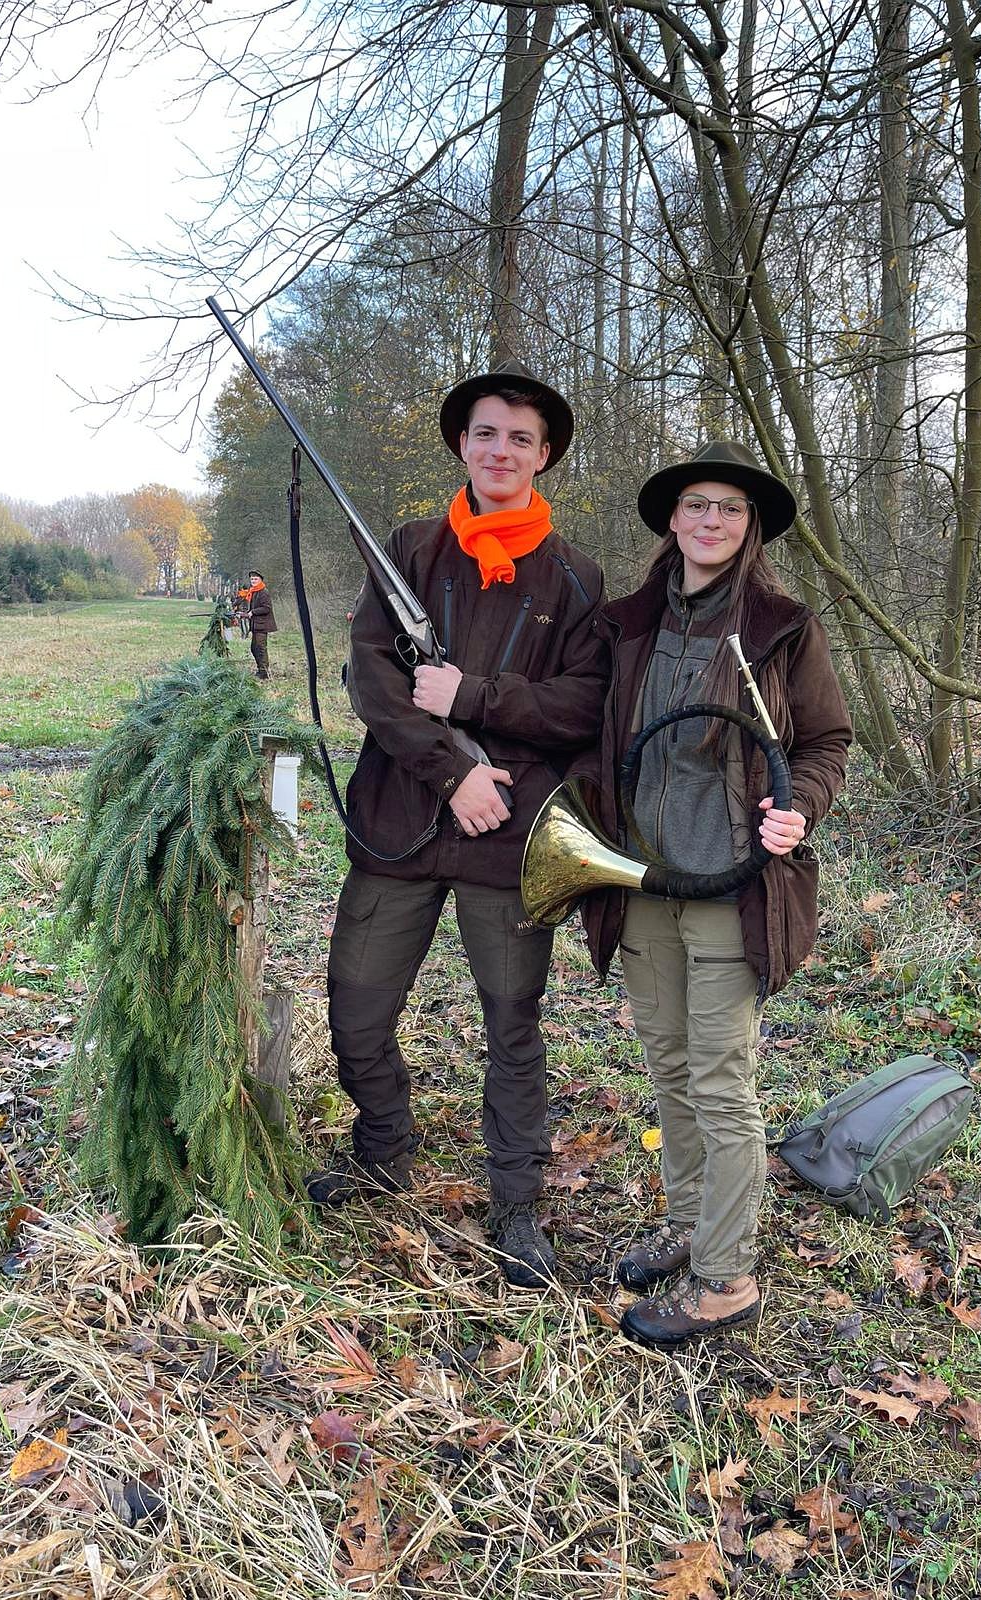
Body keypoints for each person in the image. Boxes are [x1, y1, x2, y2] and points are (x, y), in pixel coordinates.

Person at [308, 359, 609, 1290]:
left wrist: (480, 704)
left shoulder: (576, 578)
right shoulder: (407, 547)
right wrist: (453, 773)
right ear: (462, 445)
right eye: (486, 433)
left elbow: (583, 705)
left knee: (512, 1023)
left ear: (543, 455)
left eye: (520, 438)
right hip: (402, 819)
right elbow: (373, 678)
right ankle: (382, 1148)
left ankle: (514, 1203)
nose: (501, 451)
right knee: (356, 1009)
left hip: (508, 836)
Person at [578, 441, 852, 1349]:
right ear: (672, 517)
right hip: (642, 880)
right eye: (696, 503)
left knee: (720, 1080)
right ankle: (691, 1223)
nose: (711, 520)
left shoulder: (783, 627)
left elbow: (826, 742)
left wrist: (799, 809)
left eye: (730, 508)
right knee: (668, 1065)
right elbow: (586, 728)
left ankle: (728, 1277)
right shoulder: (625, 622)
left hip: (732, 887)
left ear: (750, 526)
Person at [245, 571, 277, 677]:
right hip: (256, 625)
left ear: (260, 580)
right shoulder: (254, 591)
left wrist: (253, 612)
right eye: (252, 579)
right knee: (254, 648)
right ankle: (260, 669)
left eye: (256, 579)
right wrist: (245, 613)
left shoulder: (263, 592)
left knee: (260, 648)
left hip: (262, 625)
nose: (253, 581)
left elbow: (267, 608)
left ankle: (264, 672)